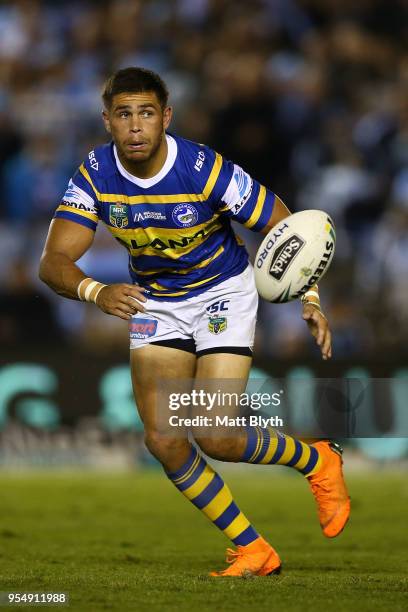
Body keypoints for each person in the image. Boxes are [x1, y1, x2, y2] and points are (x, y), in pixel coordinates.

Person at [39, 67, 350, 577]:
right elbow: (53, 262)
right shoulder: (94, 174)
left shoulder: (205, 169)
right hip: (155, 301)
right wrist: (97, 291)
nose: (135, 126)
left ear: (166, 117)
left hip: (222, 292)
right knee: (163, 439)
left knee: (215, 435)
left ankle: (318, 462)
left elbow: (283, 223)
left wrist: (309, 297)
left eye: (145, 113)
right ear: (107, 121)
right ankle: (254, 548)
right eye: (123, 115)